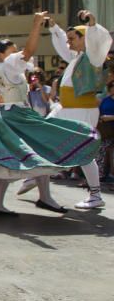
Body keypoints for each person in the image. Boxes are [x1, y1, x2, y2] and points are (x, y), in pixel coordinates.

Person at [0, 13, 99, 215]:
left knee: (5, 159)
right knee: (36, 153)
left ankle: (5, 203)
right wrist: (36, 25)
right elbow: (29, 51)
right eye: (12, 50)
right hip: (14, 117)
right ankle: (41, 198)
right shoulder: (9, 65)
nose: (16, 53)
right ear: (1, 54)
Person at [43, 11, 112, 209]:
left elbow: (98, 41)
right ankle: (39, 175)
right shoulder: (77, 57)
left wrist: (92, 24)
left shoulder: (94, 56)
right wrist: (54, 27)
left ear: (85, 39)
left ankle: (96, 194)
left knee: (83, 152)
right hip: (66, 109)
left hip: (83, 110)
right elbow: (61, 45)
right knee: (44, 134)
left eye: (73, 38)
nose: (68, 42)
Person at [96, 80, 114, 182]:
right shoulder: (105, 100)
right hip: (106, 130)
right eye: (112, 86)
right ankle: (99, 174)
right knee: (100, 149)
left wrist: (110, 117)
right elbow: (99, 112)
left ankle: (111, 175)